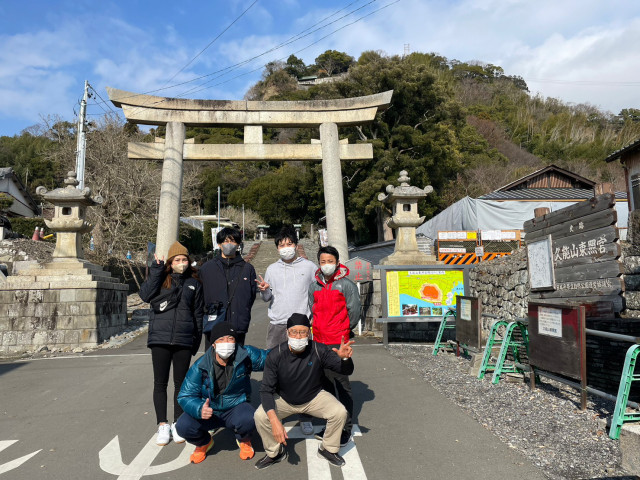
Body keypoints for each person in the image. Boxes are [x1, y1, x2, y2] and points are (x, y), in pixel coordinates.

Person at [254, 313, 354, 470]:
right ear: (287, 333)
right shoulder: (275, 355)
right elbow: (266, 390)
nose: (298, 336)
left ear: (309, 333)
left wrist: (345, 359)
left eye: (303, 332)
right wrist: (274, 421)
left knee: (339, 411)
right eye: (294, 332)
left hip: (314, 397)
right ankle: (275, 453)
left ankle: (328, 449)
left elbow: (346, 370)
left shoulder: (319, 350)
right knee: (261, 416)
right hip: (284, 399)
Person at [139, 241, 204, 446]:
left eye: (184, 259)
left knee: (181, 384)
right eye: (177, 260)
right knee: (160, 383)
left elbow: (198, 315)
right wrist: (156, 270)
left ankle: (178, 423)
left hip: (184, 339)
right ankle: (162, 424)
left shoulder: (194, 283)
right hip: (159, 338)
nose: (181, 263)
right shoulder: (160, 280)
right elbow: (145, 295)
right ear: (170, 262)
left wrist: (196, 341)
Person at [175, 323, 268, 464]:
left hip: (235, 407)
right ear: (213, 344)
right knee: (183, 426)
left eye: (230, 338)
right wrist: (199, 409)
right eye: (221, 339)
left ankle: (244, 439)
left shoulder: (245, 355)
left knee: (250, 418)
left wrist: (292, 347)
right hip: (209, 410)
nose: (226, 343)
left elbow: (270, 358)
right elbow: (185, 395)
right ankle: (204, 442)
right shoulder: (200, 365)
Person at [256, 225, 317, 435]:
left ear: (296, 245)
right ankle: (275, 412)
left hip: (302, 326)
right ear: (277, 248)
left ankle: (306, 415)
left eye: (289, 243)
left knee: (305, 370)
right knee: (274, 369)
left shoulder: (310, 267)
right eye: (282, 245)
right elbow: (267, 297)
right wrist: (264, 291)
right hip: (277, 325)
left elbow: (316, 293)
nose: (286, 248)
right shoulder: (272, 269)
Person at [308, 245, 361, 446]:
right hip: (319, 342)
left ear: (337, 263)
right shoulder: (314, 286)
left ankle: (345, 429)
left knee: (342, 385)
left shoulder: (346, 285)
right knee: (325, 386)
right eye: (323, 261)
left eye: (330, 261)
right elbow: (312, 309)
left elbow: (354, 312)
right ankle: (331, 425)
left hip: (338, 342)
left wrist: (343, 331)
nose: (326, 265)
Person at [199, 227, 257, 348]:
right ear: (219, 244)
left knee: (237, 357)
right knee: (212, 358)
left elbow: (250, 297)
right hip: (213, 325)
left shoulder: (248, 269)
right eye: (225, 241)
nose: (229, 244)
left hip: (238, 325)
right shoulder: (207, 268)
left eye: (233, 241)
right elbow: (201, 296)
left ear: (238, 244)